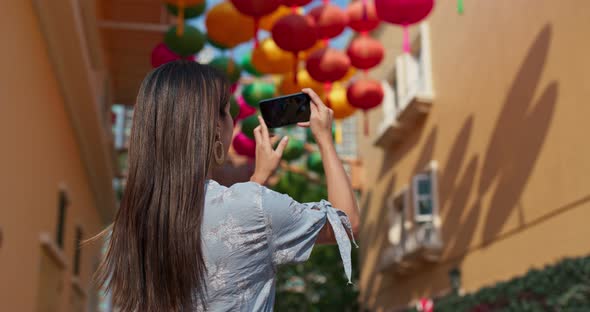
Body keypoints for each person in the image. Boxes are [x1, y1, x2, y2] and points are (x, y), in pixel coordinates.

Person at [94, 60, 359, 312]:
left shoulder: (136, 218)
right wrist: (324, 138)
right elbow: (345, 225)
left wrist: (257, 181)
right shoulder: (253, 206)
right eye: (227, 110)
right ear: (214, 129)